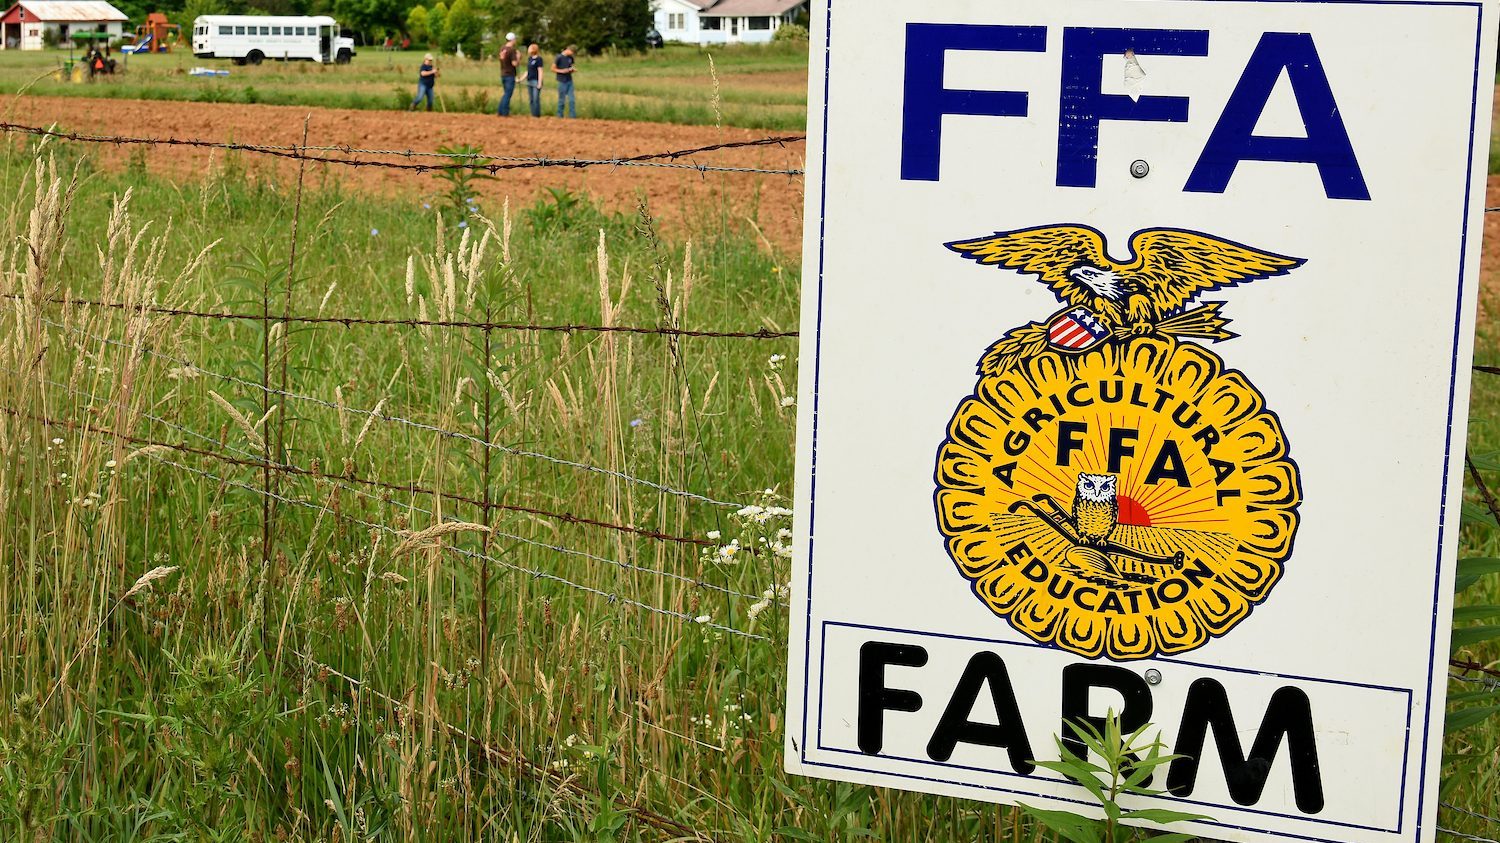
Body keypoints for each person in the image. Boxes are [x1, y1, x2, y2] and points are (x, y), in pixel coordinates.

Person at [497, 33, 519, 116]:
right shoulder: (511, 50)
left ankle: (500, 111)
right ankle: (504, 112)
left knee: (506, 93)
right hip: (510, 74)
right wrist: (518, 57)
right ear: (512, 40)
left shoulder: (502, 49)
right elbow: (514, 63)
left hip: (503, 73)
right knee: (508, 94)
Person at [553, 44, 577, 118]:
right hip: (561, 81)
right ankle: (559, 115)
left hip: (569, 80)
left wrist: (572, 70)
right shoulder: (559, 57)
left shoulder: (570, 58)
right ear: (568, 50)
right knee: (561, 100)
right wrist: (562, 71)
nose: (572, 54)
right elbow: (553, 68)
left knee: (572, 100)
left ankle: (572, 116)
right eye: (572, 52)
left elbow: (571, 66)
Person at [525, 43, 543, 117]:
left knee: (536, 99)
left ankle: (537, 115)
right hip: (529, 80)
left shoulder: (539, 59)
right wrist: (520, 79)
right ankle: (533, 114)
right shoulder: (529, 59)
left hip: (535, 81)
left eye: (529, 48)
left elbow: (540, 71)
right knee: (531, 99)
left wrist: (539, 82)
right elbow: (527, 71)